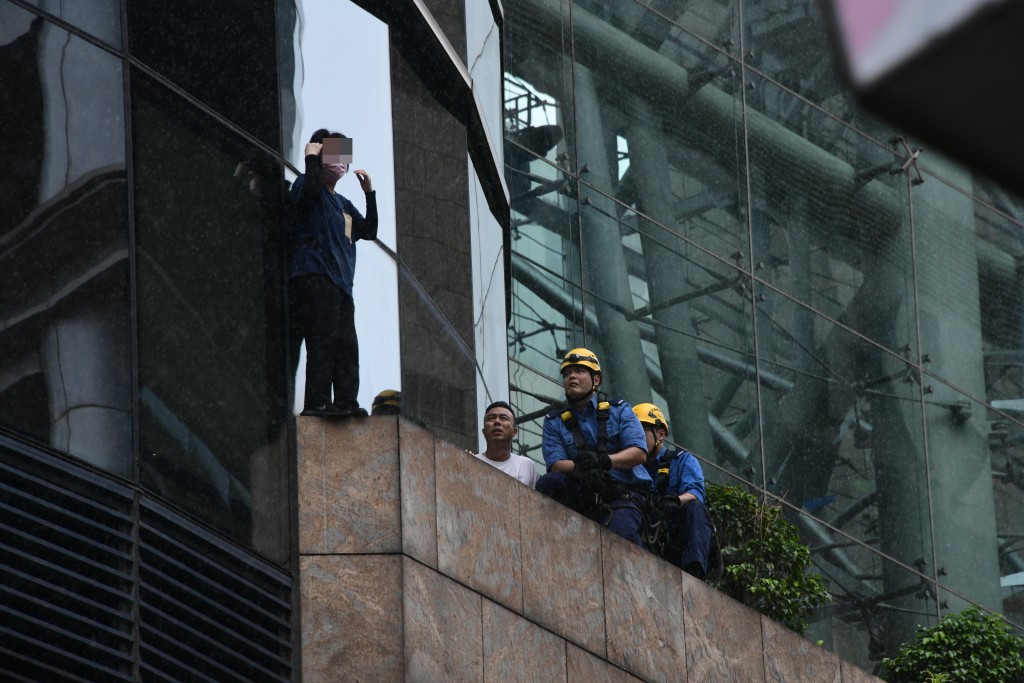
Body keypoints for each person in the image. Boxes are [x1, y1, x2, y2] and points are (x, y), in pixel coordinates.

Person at [290, 129, 376, 417]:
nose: (340, 163)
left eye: (344, 157)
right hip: (314, 275)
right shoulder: (305, 184)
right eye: (333, 155)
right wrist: (310, 159)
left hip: (341, 284)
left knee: (346, 347)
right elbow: (310, 193)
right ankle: (316, 401)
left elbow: (370, 231)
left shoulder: (343, 204)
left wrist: (369, 194)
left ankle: (346, 402)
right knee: (322, 341)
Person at [536, 348, 651, 545]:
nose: (572, 376)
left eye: (579, 371)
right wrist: (583, 469)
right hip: (583, 490)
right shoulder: (554, 421)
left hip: (622, 494)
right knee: (549, 483)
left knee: (621, 536)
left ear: (596, 380)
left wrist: (604, 461)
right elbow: (555, 464)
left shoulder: (619, 410)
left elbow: (639, 453)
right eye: (567, 373)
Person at [633, 402, 716, 578]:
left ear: (660, 434)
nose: (635, 438)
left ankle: (694, 573)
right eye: (631, 433)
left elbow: (696, 493)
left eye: (641, 432)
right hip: (648, 538)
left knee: (695, 509)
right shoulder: (632, 467)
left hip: (676, 536)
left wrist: (676, 501)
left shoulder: (682, 460)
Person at [473, 401, 539, 488]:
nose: (497, 422)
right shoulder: (474, 462)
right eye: (491, 418)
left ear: (514, 431)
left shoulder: (525, 465)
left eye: (503, 418)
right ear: (484, 432)